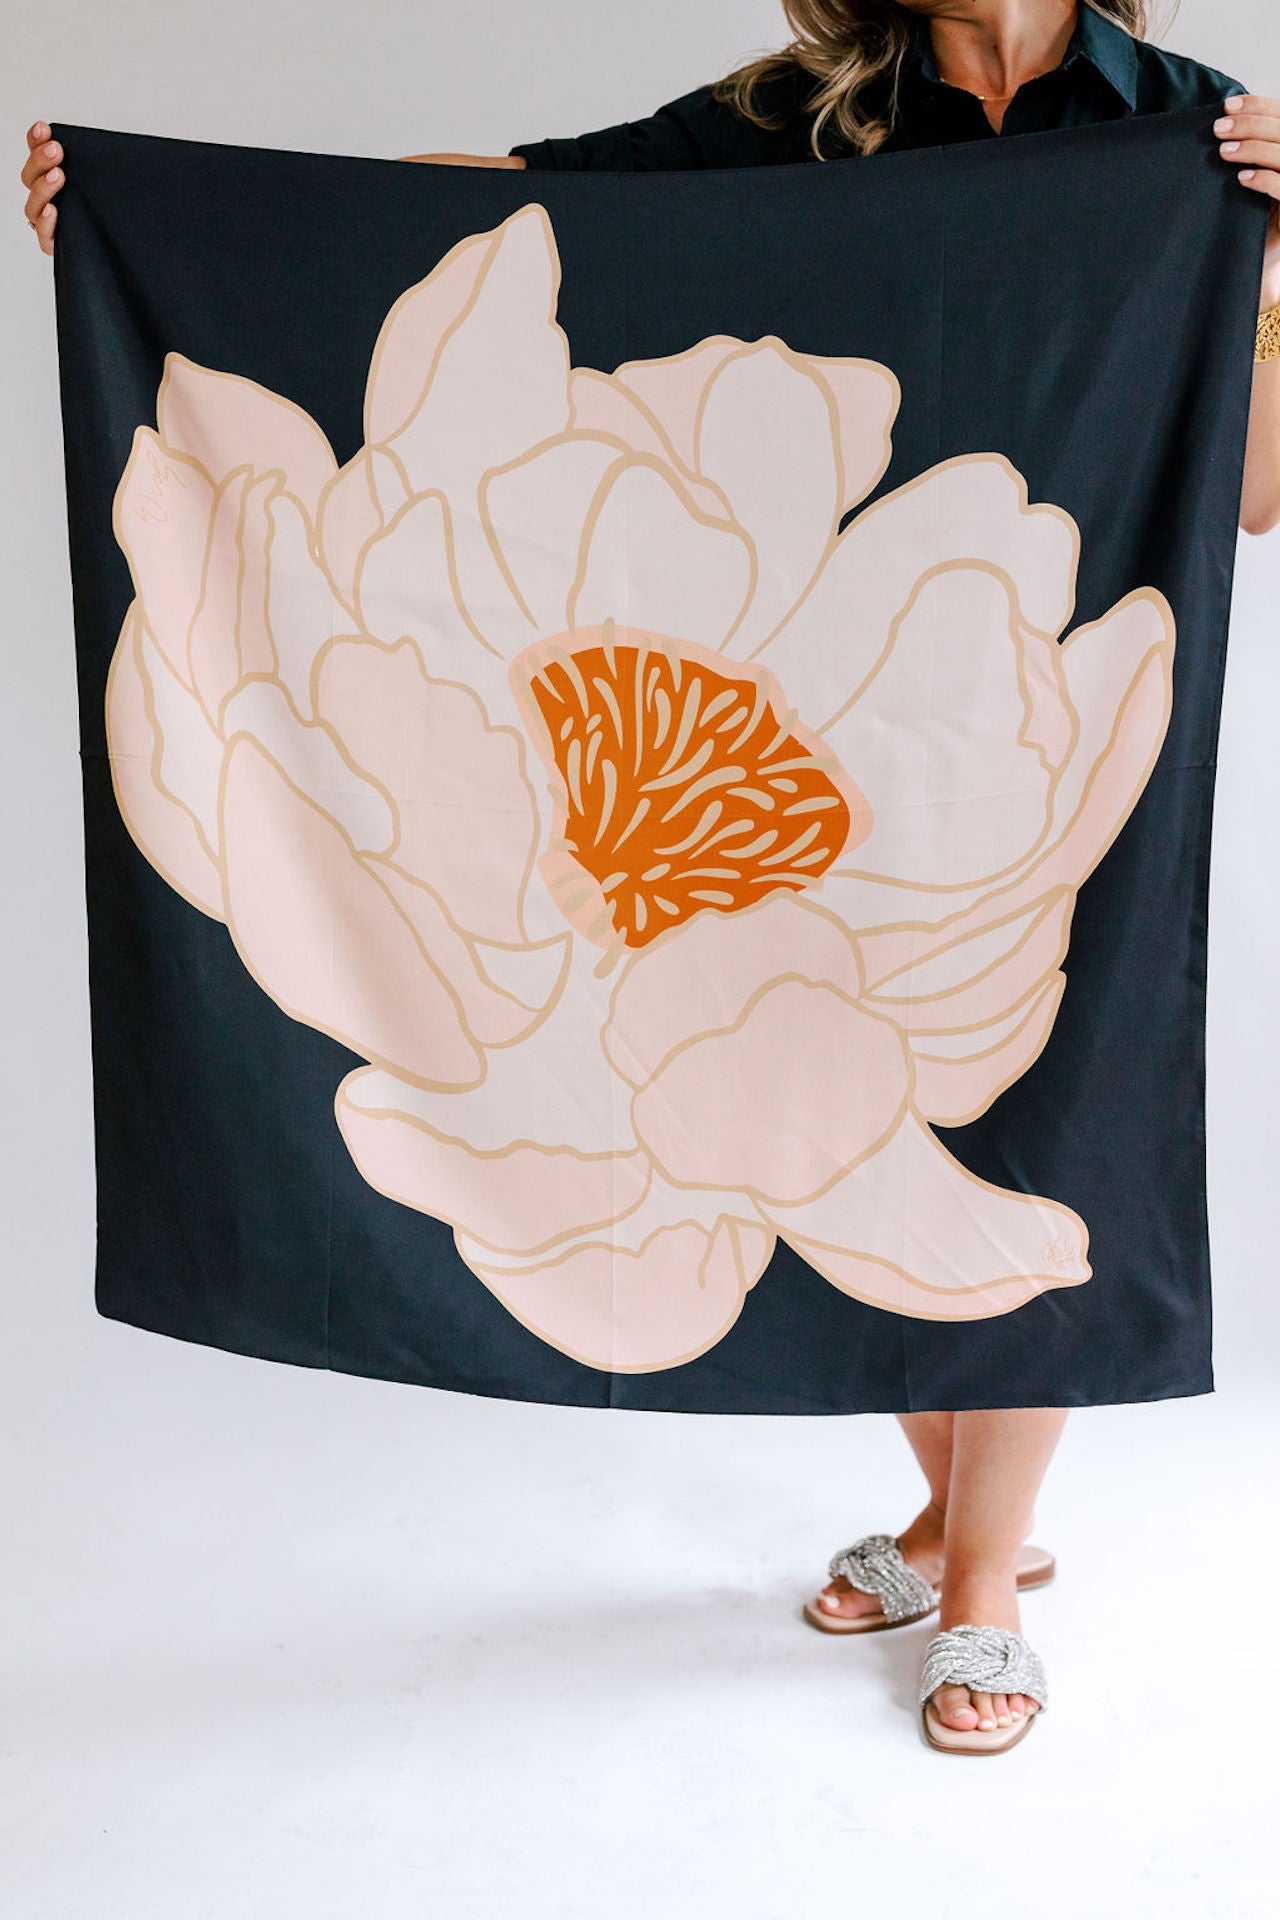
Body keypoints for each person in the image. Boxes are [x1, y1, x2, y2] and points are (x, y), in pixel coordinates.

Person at [21, 0, 1280, 1754]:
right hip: (733, 788)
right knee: (840, 1146)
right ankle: (947, 1524)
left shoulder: (1198, 130)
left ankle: (986, 1584)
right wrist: (172, 210)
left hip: (942, 757)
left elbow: (1252, 492)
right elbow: (505, 204)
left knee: (1033, 1136)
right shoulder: (804, 109)